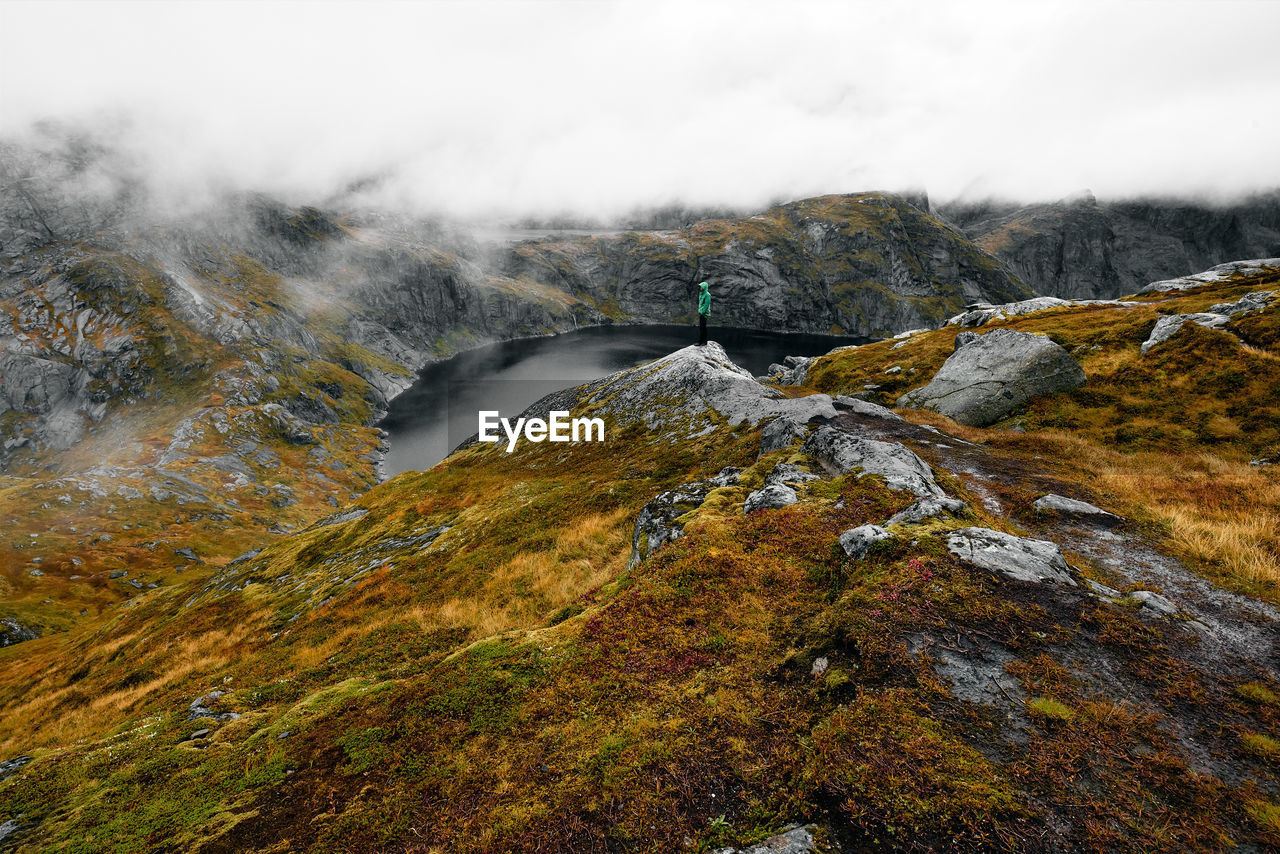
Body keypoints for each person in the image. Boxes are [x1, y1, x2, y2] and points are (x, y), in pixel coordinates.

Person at [697, 280, 711, 345]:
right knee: (701, 327)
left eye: (701, 287)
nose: (700, 288)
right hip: (701, 312)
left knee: (703, 328)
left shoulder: (707, 295)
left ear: (704, 287)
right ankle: (701, 341)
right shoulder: (701, 293)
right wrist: (699, 311)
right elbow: (700, 304)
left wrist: (702, 312)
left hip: (704, 313)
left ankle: (703, 342)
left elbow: (706, 305)